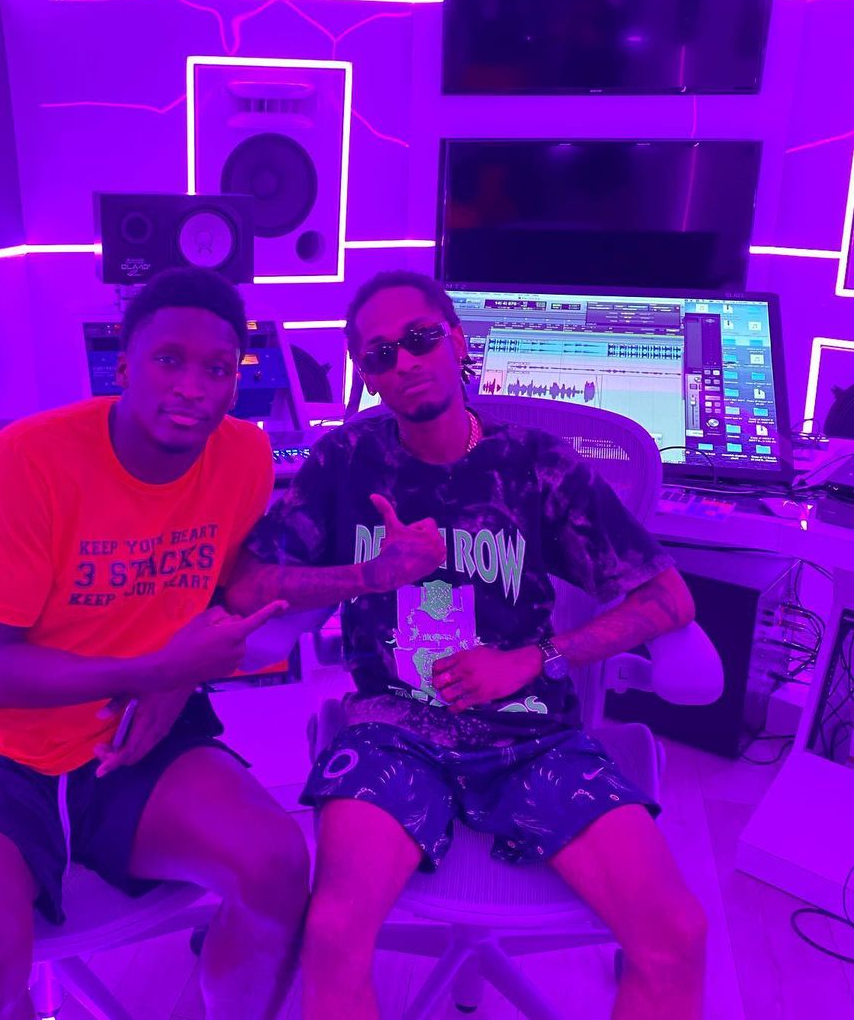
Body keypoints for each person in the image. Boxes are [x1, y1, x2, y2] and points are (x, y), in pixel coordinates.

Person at [226, 270, 707, 1020]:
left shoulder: (539, 466)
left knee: (677, 936)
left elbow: (668, 599)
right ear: (365, 374)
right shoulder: (344, 462)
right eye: (380, 354)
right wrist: (370, 574)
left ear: (456, 340)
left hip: (534, 736)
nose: (406, 362)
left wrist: (535, 659)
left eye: (421, 339)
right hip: (392, 729)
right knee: (333, 933)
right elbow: (249, 586)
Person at [0, 268, 309, 1020]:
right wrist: (155, 669)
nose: (193, 387)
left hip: (127, 737)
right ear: (123, 367)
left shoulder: (245, 455)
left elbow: (218, 593)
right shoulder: (30, 459)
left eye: (218, 368)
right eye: (169, 359)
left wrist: (172, 683)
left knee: (277, 865)